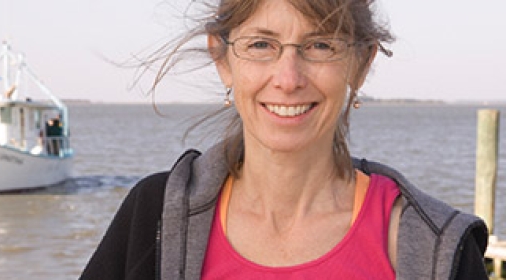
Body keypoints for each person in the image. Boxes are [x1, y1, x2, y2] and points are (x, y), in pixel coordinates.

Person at [81, 0, 488, 279]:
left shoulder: (432, 244)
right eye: (261, 44)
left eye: (320, 45)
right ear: (222, 59)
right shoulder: (153, 217)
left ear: (360, 64)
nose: (288, 78)